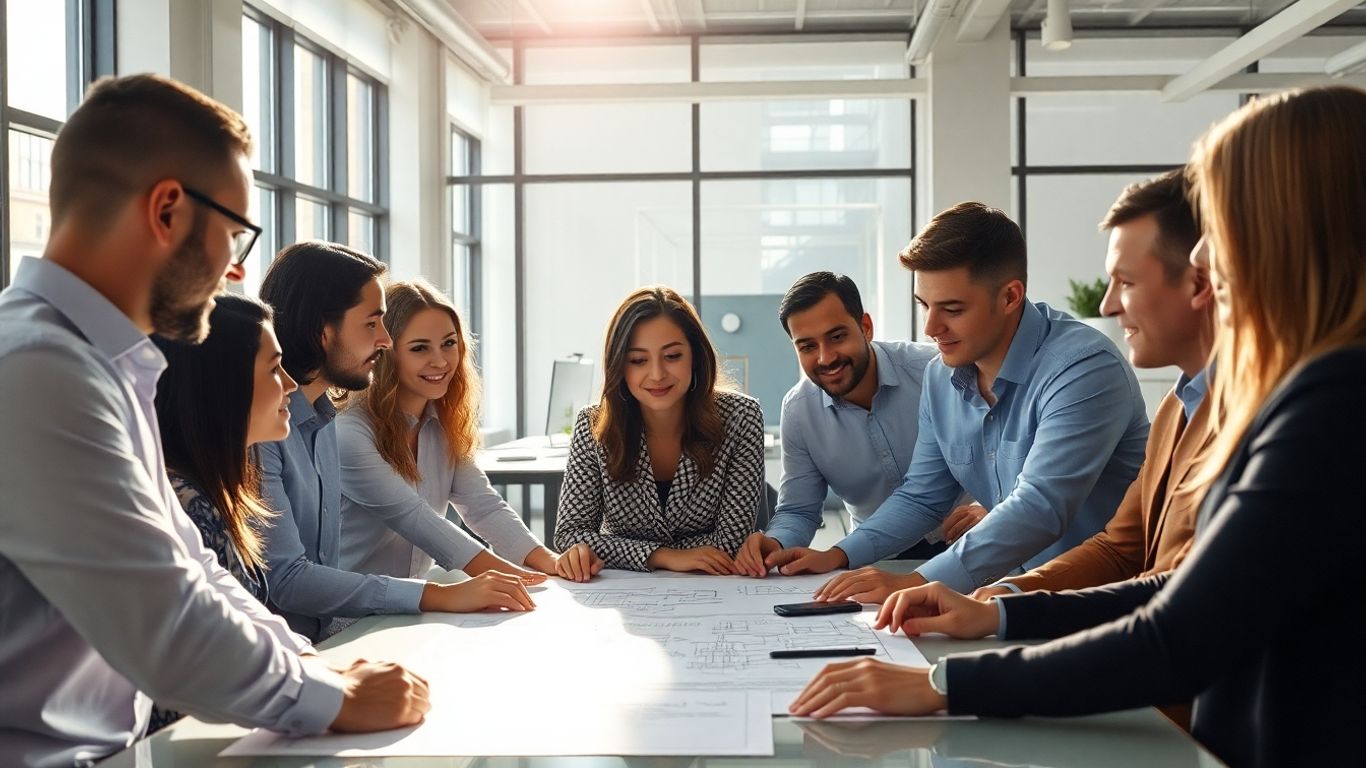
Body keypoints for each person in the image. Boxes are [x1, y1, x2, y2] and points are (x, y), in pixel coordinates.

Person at [790, 85, 1366, 768]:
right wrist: (997, 609)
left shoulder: (1334, 401)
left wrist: (947, 681)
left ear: (1292, 231)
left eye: (1223, 224)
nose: (1205, 259)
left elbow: (1176, 631)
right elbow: (1164, 580)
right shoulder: (1279, 396)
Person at [0, 74, 426, 767]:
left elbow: (193, 569)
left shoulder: (101, 365)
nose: (236, 273)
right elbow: (165, 626)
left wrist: (314, 671)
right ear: (167, 209)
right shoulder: (39, 371)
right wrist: (334, 701)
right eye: (235, 234)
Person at [769, 203, 1150, 597]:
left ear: (1010, 296)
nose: (931, 328)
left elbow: (1040, 507)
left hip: (1105, 598)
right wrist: (838, 555)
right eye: (925, 306)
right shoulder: (941, 375)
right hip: (1009, 592)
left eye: (952, 309)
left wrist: (916, 581)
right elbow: (922, 497)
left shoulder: (1082, 368)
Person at [258, 242, 540, 641]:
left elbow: (482, 504)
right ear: (323, 332)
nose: (385, 341)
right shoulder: (283, 433)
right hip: (299, 646)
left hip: (338, 635)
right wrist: (442, 594)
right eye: (372, 324)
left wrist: (542, 568)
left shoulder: (322, 420)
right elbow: (288, 579)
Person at [969, 169, 1214, 603]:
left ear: (1201, 282)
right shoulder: (1177, 407)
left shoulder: (1264, 414)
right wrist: (1001, 599)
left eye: (1128, 282)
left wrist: (961, 670)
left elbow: (1179, 605)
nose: (1107, 305)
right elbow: (1121, 551)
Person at [338, 280, 602, 585]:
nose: (440, 361)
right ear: (386, 353)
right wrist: (523, 580)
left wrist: (552, 564)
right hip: (349, 615)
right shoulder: (350, 435)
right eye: (420, 348)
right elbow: (417, 520)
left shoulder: (443, 423)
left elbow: (484, 507)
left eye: (449, 343)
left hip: (408, 605)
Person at [734, 272, 971, 578]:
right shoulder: (799, 411)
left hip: (969, 541)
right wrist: (774, 543)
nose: (825, 357)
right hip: (877, 557)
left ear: (866, 327)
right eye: (807, 346)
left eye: (837, 337)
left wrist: (990, 507)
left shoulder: (935, 373)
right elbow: (799, 510)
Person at [148, 293, 297, 729]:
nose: (289, 385)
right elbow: (214, 653)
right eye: (274, 368)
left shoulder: (207, 490)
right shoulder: (184, 501)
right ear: (224, 386)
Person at [553, 286, 766, 573]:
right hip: (628, 598)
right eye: (638, 360)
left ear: (695, 355)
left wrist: (613, 547)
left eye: (673, 356)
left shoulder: (741, 417)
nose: (657, 374)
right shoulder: (592, 425)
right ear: (619, 366)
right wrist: (662, 556)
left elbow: (732, 541)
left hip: (714, 589)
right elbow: (570, 536)